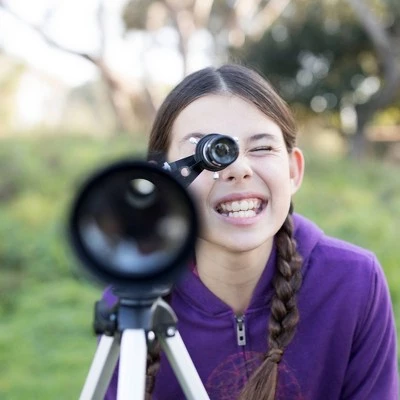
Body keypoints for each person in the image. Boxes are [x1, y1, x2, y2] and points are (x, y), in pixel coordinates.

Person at [101, 64, 398, 399]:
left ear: (293, 171)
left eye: (261, 148)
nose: (237, 169)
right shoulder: (132, 303)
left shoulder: (354, 281)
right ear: (161, 179)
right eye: (205, 152)